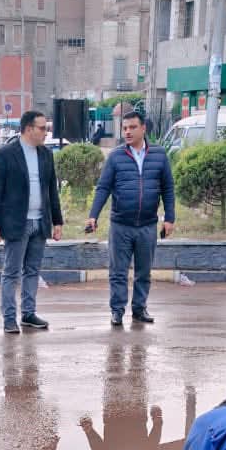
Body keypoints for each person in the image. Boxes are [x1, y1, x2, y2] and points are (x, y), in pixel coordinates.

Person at [86, 109, 175, 327]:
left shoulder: (159, 155)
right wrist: (93, 216)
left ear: (143, 128)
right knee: (118, 272)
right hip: (121, 225)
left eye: (132, 127)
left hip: (147, 225)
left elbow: (168, 188)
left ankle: (139, 309)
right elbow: (103, 187)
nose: (127, 132)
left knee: (144, 272)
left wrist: (169, 218)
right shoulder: (116, 156)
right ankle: (117, 311)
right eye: (124, 128)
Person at [0, 109, 64, 334]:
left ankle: (28, 314)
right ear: (29, 129)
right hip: (16, 223)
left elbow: (51, 190)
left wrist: (57, 221)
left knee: (32, 270)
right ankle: (9, 318)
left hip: (40, 222)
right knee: (11, 272)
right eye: (42, 128)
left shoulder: (46, 154)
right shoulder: (5, 154)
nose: (46, 133)